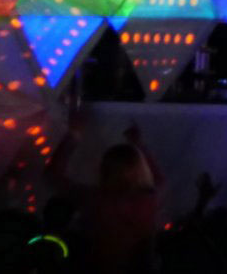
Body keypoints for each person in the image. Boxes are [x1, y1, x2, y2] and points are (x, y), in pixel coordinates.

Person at [47, 115, 165, 274]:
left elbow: (53, 175)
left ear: (104, 169)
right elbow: (159, 179)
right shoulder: (149, 200)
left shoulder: (93, 199)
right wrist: (138, 144)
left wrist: (73, 134)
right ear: (141, 168)